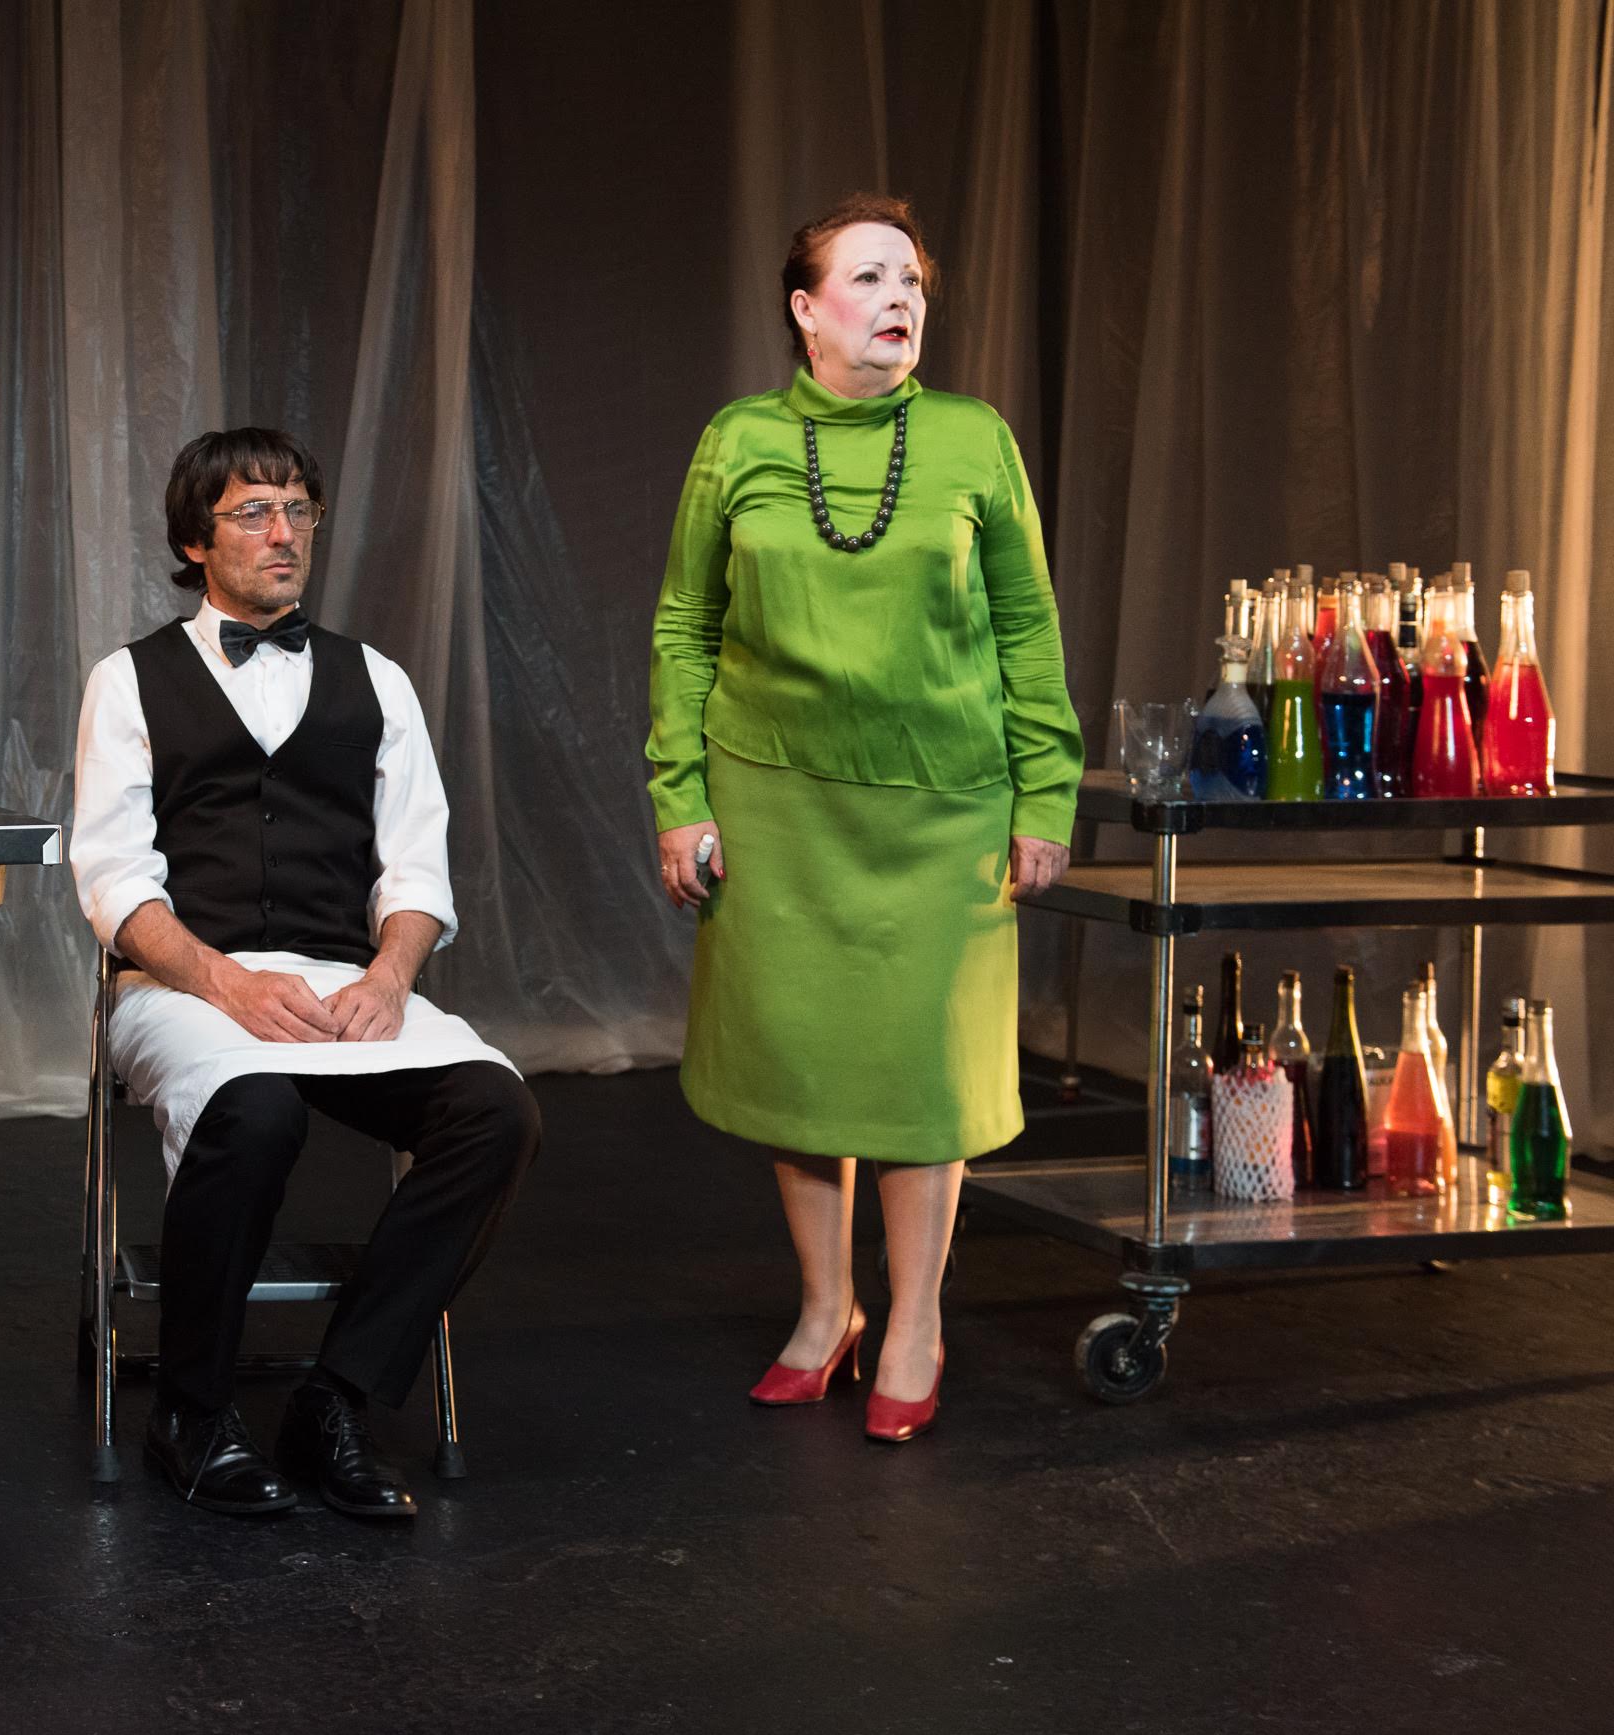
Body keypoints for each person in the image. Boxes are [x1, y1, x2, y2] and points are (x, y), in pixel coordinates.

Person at [644, 194, 1082, 1444]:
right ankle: (824, 1307)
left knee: (917, 1078)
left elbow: (1026, 627)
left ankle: (913, 1321)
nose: (900, 300)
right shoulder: (736, 441)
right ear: (805, 308)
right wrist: (679, 796)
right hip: (774, 804)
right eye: (870, 278)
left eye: (912, 284)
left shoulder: (970, 440)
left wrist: (1044, 790)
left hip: (942, 811)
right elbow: (684, 625)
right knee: (799, 1065)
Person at [70, 427, 540, 1520]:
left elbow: (416, 867)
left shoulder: (378, 680)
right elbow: (112, 881)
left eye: (297, 511)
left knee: (495, 1110)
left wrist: (389, 975)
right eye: (252, 512)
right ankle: (191, 1412)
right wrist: (225, 984)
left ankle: (336, 1397)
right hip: (180, 986)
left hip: (341, 977)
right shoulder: (128, 680)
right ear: (194, 540)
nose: (282, 532)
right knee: (259, 1109)